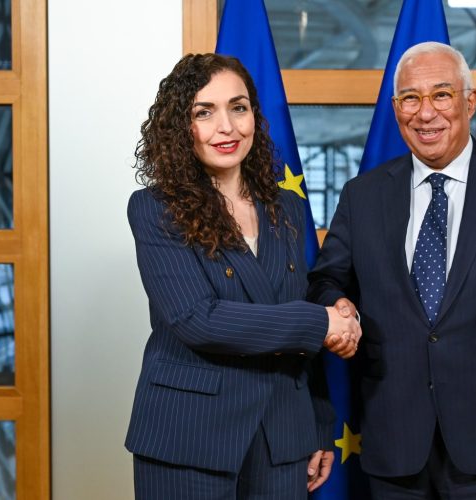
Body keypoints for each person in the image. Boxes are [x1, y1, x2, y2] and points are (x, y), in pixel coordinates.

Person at [308, 42, 476, 498]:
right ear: (395, 109)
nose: (425, 113)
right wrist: (337, 305)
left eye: (441, 95)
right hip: (392, 435)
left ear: (469, 102)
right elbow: (325, 279)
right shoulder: (363, 195)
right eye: (410, 99)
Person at [125, 53, 360, 500]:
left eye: (238, 107)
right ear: (181, 127)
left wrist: (319, 423)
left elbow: (297, 315)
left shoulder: (287, 208)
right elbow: (198, 319)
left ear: (254, 115)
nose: (227, 127)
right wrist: (322, 322)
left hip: (283, 435)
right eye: (204, 112)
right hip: (188, 436)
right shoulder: (155, 208)